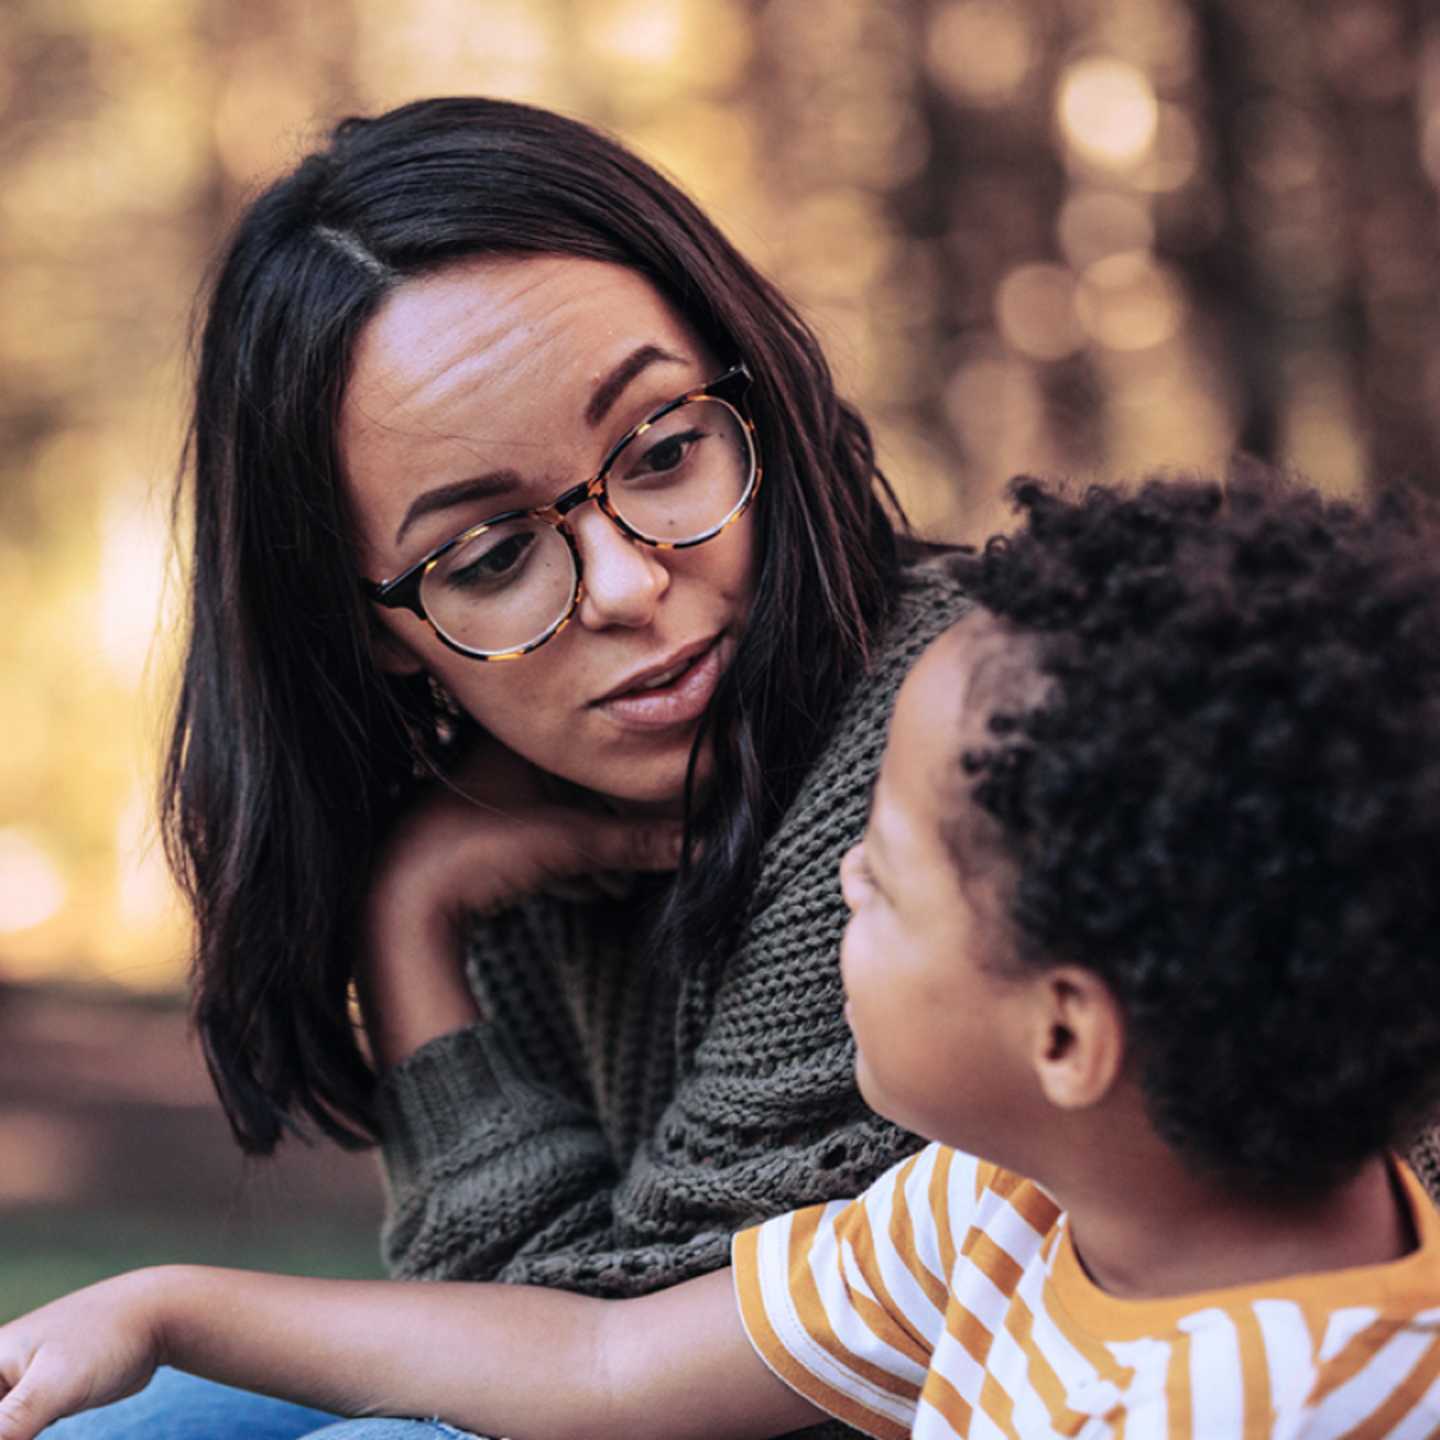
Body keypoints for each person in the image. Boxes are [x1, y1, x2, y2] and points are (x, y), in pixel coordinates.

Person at [7, 470, 1440, 1440]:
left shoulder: (1279, 1402)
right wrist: (167, 1302)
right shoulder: (1004, 1203)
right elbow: (604, 1363)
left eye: (890, 866)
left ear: (1065, 1036)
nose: (836, 874)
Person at [33, 96, 971, 1437]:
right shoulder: (528, 797)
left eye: (663, 452)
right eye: (486, 557)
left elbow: (591, 1372)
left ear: (751, 390)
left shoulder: (935, 745)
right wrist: (423, 896)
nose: (628, 581)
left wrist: (411, 923)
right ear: (376, 632)